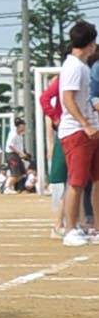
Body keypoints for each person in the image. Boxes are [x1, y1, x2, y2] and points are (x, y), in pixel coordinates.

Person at [60, 21, 99, 245]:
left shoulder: (82, 66)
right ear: (90, 43)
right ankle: (70, 229)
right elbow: (68, 99)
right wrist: (85, 124)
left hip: (91, 131)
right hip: (77, 132)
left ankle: (95, 228)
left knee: (96, 180)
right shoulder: (73, 66)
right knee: (77, 182)